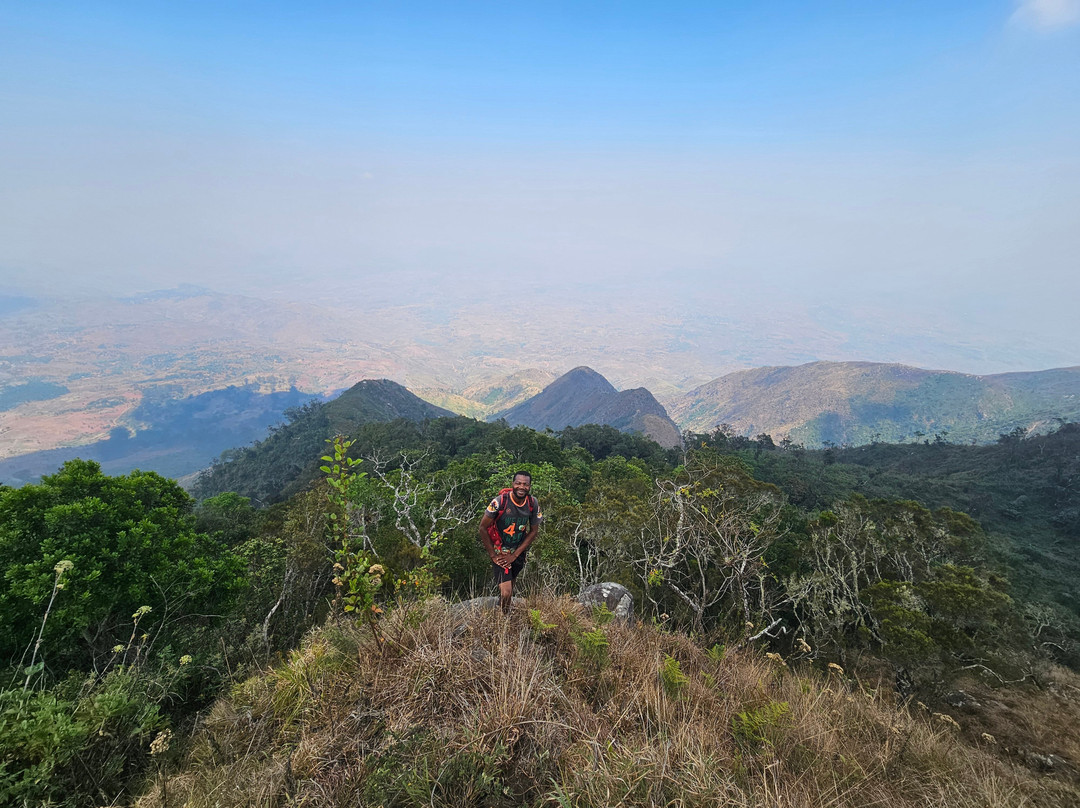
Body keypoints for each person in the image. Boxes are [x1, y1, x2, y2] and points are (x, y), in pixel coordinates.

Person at [478, 470, 542, 613]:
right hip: (501, 552)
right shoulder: (500, 502)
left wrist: (515, 555)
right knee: (506, 592)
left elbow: (534, 531)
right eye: (518, 483)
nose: (521, 487)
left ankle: (502, 612)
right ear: (513, 484)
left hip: (518, 552)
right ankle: (504, 619)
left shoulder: (532, 503)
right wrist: (493, 556)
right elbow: (482, 527)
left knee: (510, 589)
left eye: (525, 484)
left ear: (530, 487)